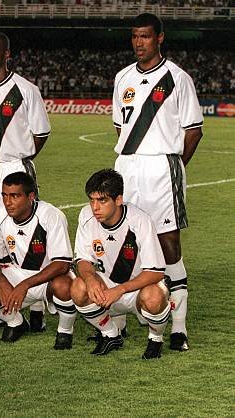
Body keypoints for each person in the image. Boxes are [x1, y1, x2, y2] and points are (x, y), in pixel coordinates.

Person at [112, 13, 203, 351]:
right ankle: (119, 321)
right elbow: (119, 127)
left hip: (162, 169)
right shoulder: (122, 77)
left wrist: (175, 166)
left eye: (146, 36)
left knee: (168, 245)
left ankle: (178, 328)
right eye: (135, 36)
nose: (139, 42)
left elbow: (194, 131)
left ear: (160, 38)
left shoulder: (177, 78)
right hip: (127, 166)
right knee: (123, 239)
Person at [72, 169, 170, 359]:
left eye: (102, 200)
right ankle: (110, 334)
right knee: (78, 286)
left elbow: (156, 272)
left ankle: (156, 339)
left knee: (153, 297)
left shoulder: (140, 221)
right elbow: (83, 260)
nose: (95, 207)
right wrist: (90, 279)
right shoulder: (86, 215)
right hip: (107, 286)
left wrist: (120, 290)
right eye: (92, 200)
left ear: (118, 200)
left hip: (138, 289)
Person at [0, 172, 77, 347]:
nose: (8, 202)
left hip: (48, 276)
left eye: (15, 196)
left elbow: (62, 264)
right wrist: (1, 282)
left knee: (64, 286)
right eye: (5, 195)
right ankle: (16, 322)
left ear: (31, 196)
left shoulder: (51, 215)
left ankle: (65, 331)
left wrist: (25, 285)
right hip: (18, 272)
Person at [0, 31, 50, 233]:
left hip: (16, 168)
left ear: (6, 54)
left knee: (23, 228)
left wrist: (21, 159)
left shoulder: (26, 89)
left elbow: (41, 132)